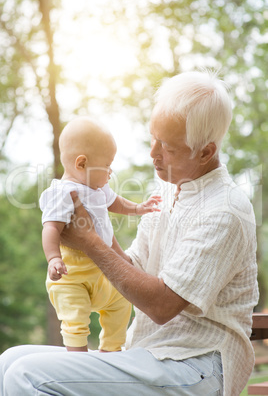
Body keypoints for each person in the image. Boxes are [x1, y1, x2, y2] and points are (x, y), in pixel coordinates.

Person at [0, 70, 259, 396]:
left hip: (196, 365)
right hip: (150, 353)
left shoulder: (225, 211)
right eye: (153, 138)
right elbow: (130, 268)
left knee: (26, 376)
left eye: (167, 147)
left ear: (205, 152)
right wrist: (88, 223)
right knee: (8, 362)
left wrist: (91, 243)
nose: (153, 154)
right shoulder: (167, 193)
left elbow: (162, 305)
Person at [39, 116, 161, 352]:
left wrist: (138, 208)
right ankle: (78, 358)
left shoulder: (98, 188)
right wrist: (54, 258)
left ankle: (111, 351)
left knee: (122, 301)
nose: (110, 171)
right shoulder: (62, 193)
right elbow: (51, 227)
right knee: (75, 318)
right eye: (106, 165)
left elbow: (115, 202)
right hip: (72, 271)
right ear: (82, 164)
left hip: (102, 269)